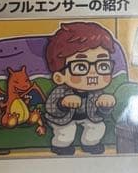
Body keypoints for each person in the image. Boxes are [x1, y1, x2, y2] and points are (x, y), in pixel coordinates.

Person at [43, 22, 117, 155]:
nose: (93, 73)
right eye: (81, 67)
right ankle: (60, 146)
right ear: (59, 77)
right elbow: (51, 108)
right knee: (67, 131)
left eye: (103, 66)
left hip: (88, 117)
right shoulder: (61, 91)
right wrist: (62, 103)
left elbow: (99, 115)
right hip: (63, 119)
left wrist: (105, 106)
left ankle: (90, 144)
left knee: (98, 127)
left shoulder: (97, 93)